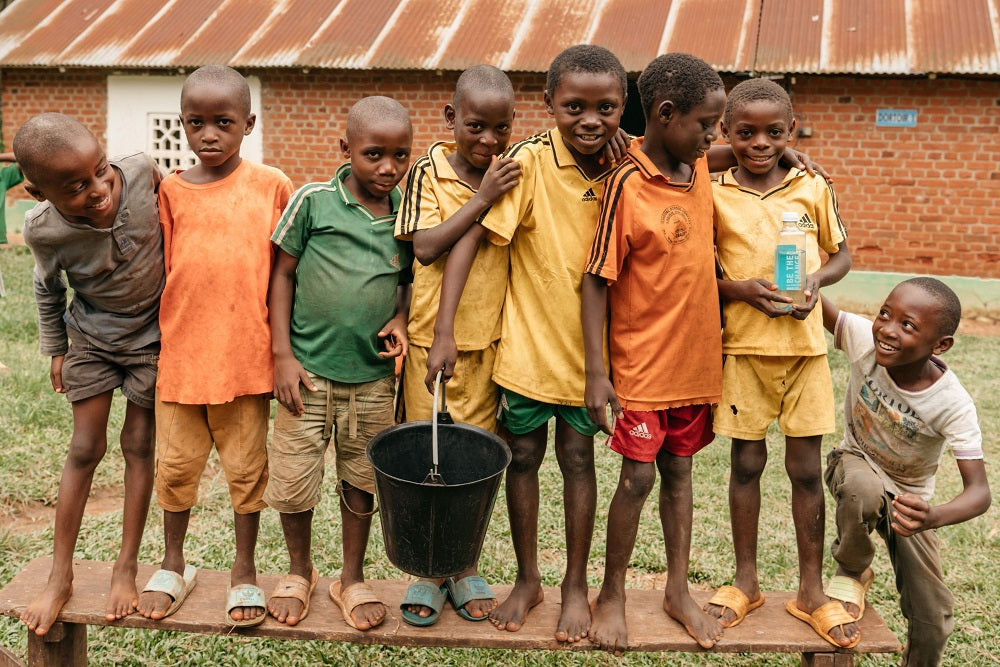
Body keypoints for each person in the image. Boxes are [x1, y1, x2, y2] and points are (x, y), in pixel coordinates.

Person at [425, 44, 631, 643]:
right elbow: (471, 237)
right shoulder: (527, 163)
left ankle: (575, 585)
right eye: (574, 107)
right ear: (548, 104)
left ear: (624, 107)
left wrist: (790, 153)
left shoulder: (628, 164)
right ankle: (528, 578)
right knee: (522, 459)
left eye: (606, 108)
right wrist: (444, 329)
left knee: (579, 460)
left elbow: (692, 148)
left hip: (591, 358)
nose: (590, 120)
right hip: (528, 353)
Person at [582, 53, 731, 654]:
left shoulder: (700, 166)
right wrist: (597, 373)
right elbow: (596, 279)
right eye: (706, 124)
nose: (714, 136)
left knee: (680, 472)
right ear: (666, 114)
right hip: (641, 366)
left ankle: (677, 591)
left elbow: (726, 155)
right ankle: (612, 593)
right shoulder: (627, 183)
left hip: (694, 365)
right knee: (638, 476)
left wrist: (786, 155)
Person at [135, 65, 293, 627]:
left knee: (247, 473)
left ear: (248, 124)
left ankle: (244, 569)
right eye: (195, 122)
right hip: (181, 359)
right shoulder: (171, 191)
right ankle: (172, 562)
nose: (208, 134)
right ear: (182, 123)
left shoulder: (272, 186)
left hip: (245, 360)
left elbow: (287, 272)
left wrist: (285, 352)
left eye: (223, 122)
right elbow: (161, 266)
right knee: (175, 469)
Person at [704, 78, 855, 647]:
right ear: (726, 132)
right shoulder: (713, 192)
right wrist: (739, 291)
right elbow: (701, 275)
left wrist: (815, 280)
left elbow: (841, 255)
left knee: (806, 470)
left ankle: (811, 590)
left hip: (805, 351)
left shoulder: (811, 185)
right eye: (746, 133)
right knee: (745, 465)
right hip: (744, 350)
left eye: (774, 133)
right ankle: (746, 581)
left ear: (791, 131)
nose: (761, 144)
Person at [264, 96, 413, 631]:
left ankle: (351, 577)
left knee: (362, 479)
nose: (388, 167)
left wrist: (401, 317)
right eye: (374, 154)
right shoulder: (313, 201)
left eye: (400, 155)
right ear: (345, 148)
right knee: (294, 478)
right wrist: (282, 354)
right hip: (306, 373)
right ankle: (298, 569)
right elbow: (282, 274)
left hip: (372, 378)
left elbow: (407, 282)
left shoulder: (407, 212)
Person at [14, 113, 163, 635]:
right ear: (38, 192)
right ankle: (61, 574)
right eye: (76, 187)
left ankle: (126, 565)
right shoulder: (44, 229)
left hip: (153, 339)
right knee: (84, 447)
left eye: (100, 170)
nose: (99, 189)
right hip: (93, 340)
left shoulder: (141, 171)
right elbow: (47, 288)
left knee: (139, 444)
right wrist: (56, 348)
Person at [393, 66, 519, 625]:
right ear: (450, 118)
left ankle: (463, 563)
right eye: (475, 126)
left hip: (487, 343)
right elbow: (424, 247)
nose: (489, 140)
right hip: (430, 341)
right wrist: (483, 196)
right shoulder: (430, 171)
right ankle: (428, 570)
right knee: (430, 457)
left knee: (473, 463)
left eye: (501, 128)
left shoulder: (512, 172)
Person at [821, 279, 990, 665]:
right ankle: (851, 570)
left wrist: (933, 516)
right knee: (862, 489)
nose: (887, 329)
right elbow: (813, 303)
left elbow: (979, 492)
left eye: (907, 325)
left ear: (940, 345)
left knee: (934, 618)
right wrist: (801, 267)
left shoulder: (952, 403)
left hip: (909, 501)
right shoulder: (864, 339)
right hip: (853, 463)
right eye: (884, 314)